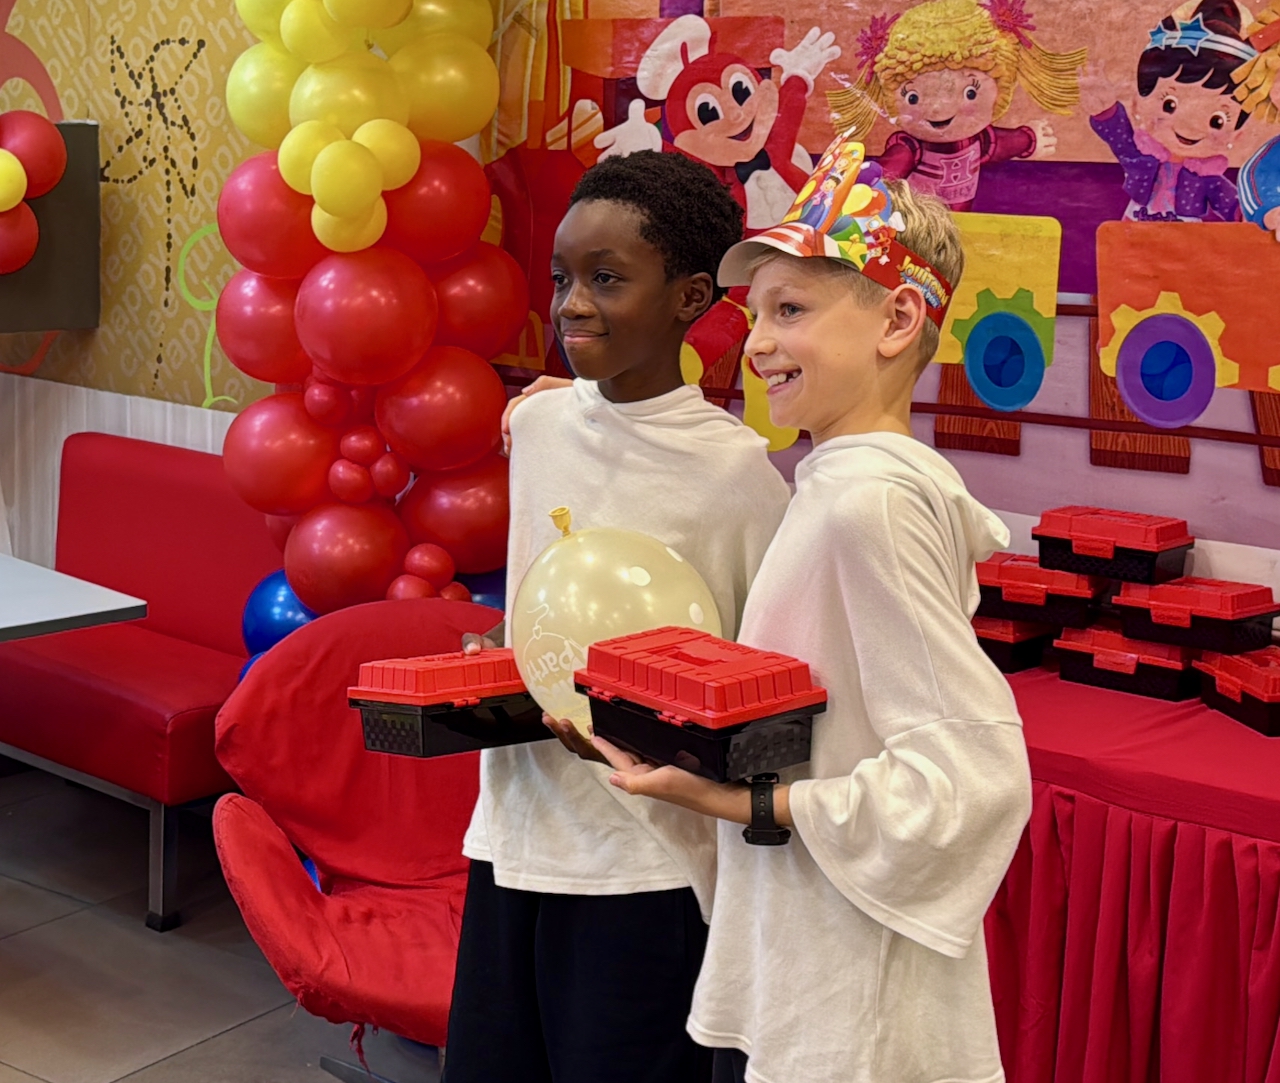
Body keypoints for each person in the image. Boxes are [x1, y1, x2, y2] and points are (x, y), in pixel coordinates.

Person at [593, 138, 1033, 1083]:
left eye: (791, 309)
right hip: (808, 956)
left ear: (898, 319)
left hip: (848, 1003)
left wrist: (733, 798)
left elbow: (972, 776)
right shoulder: (841, 482)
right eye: (756, 313)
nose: (756, 343)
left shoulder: (867, 501)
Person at [443, 149, 792, 1083]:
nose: (572, 305)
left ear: (689, 298)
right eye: (562, 278)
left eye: (607, 279)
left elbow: (763, 683)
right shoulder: (537, 425)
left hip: (646, 862)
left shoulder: (735, 477)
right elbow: (547, 600)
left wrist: (658, 726)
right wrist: (505, 653)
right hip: (514, 832)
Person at [829, 0, 1084, 211]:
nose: (939, 110)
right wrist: (862, 187)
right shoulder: (912, 148)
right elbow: (888, 171)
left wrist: (1027, 139)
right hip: (914, 229)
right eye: (913, 97)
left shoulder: (977, 141)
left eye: (970, 93)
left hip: (963, 225)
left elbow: (999, 145)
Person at [1090, 0, 1263, 222]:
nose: (1190, 125)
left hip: (1184, 241)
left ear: (1236, 135)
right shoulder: (1143, 156)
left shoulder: (1206, 176)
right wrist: (1105, 109)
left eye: (1217, 120)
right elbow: (1120, 139)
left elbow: (1232, 205)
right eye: (1169, 104)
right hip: (1132, 235)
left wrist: (1256, 216)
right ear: (1137, 104)